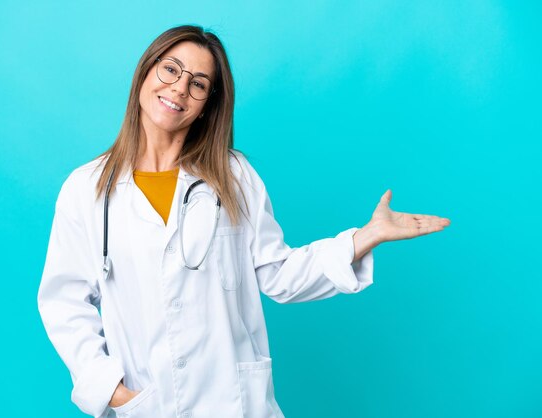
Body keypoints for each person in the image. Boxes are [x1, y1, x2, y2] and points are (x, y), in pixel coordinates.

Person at [37, 25, 450, 418]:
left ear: (207, 105)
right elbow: (64, 303)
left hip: (233, 404)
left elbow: (279, 274)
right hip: (147, 404)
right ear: (146, 72)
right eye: (170, 69)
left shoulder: (233, 175)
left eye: (198, 83)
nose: (179, 87)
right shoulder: (87, 188)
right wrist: (110, 389)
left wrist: (366, 236)